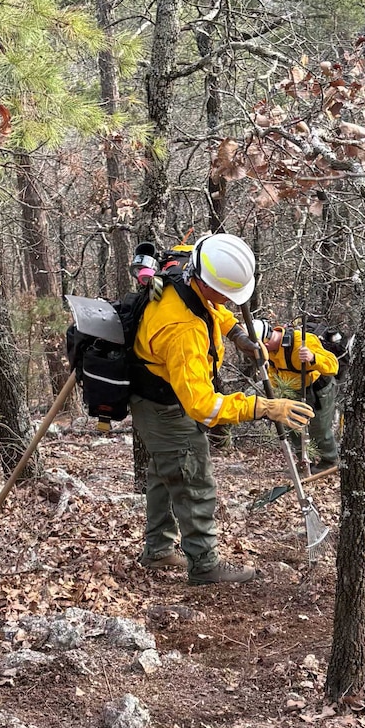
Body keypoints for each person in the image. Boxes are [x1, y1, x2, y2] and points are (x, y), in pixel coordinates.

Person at [130, 233, 313, 584]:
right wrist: (263, 407)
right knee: (192, 477)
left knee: (165, 471)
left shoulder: (187, 262)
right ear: (206, 282)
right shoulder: (182, 330)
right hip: (166, 404)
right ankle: (204, 564)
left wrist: (240, 337)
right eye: (226, 294)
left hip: (155, 395)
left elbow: (215, 308)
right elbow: (202, 406)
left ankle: (158, 550)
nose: (230, 300)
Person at [251, 319, 340, 472]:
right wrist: (277, 392)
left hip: (317, 389)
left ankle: (330, 460)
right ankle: (304, 461)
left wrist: (313, 358)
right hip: (290, 389)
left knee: (318, 428)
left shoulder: (302, 342)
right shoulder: (268, 351)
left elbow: (333, 366)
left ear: (265, 343)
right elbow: (273, 370)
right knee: (292, 426)